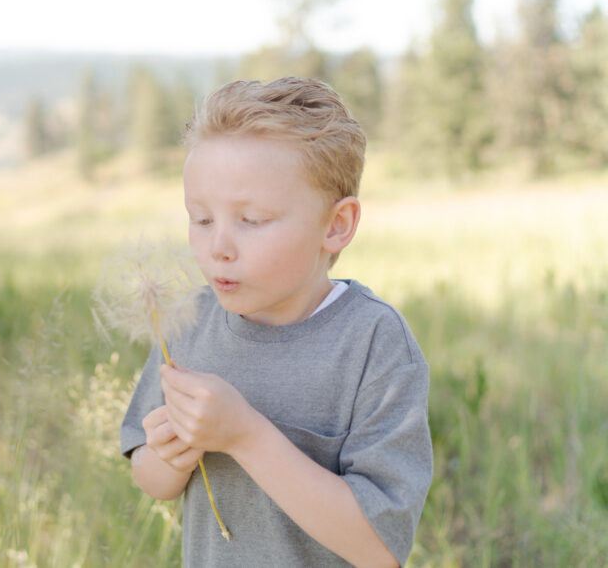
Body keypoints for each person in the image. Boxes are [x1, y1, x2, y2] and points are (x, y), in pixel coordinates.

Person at [120, 78, 432, 567]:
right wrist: (166, 454)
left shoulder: (373, 342)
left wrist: (244, 435)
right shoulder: (187, 323)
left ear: (336, 225)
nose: (218, 246)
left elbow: (380, 549)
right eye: (201, 219)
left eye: (252, 220)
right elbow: (151, 479)